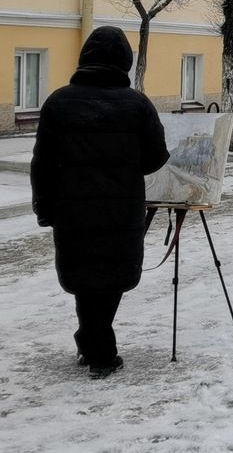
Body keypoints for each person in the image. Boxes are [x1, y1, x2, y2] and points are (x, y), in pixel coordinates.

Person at [31, 26, 169, 378]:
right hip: (120, 211)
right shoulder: (137, 104)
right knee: (109, 277)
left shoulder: (58, 102)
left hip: (71, 210)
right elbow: (155, 158)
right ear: (124, 61)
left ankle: (89, 342)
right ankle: (101, 353)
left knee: (86, 276)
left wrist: (44, 208)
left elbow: (42, 163)